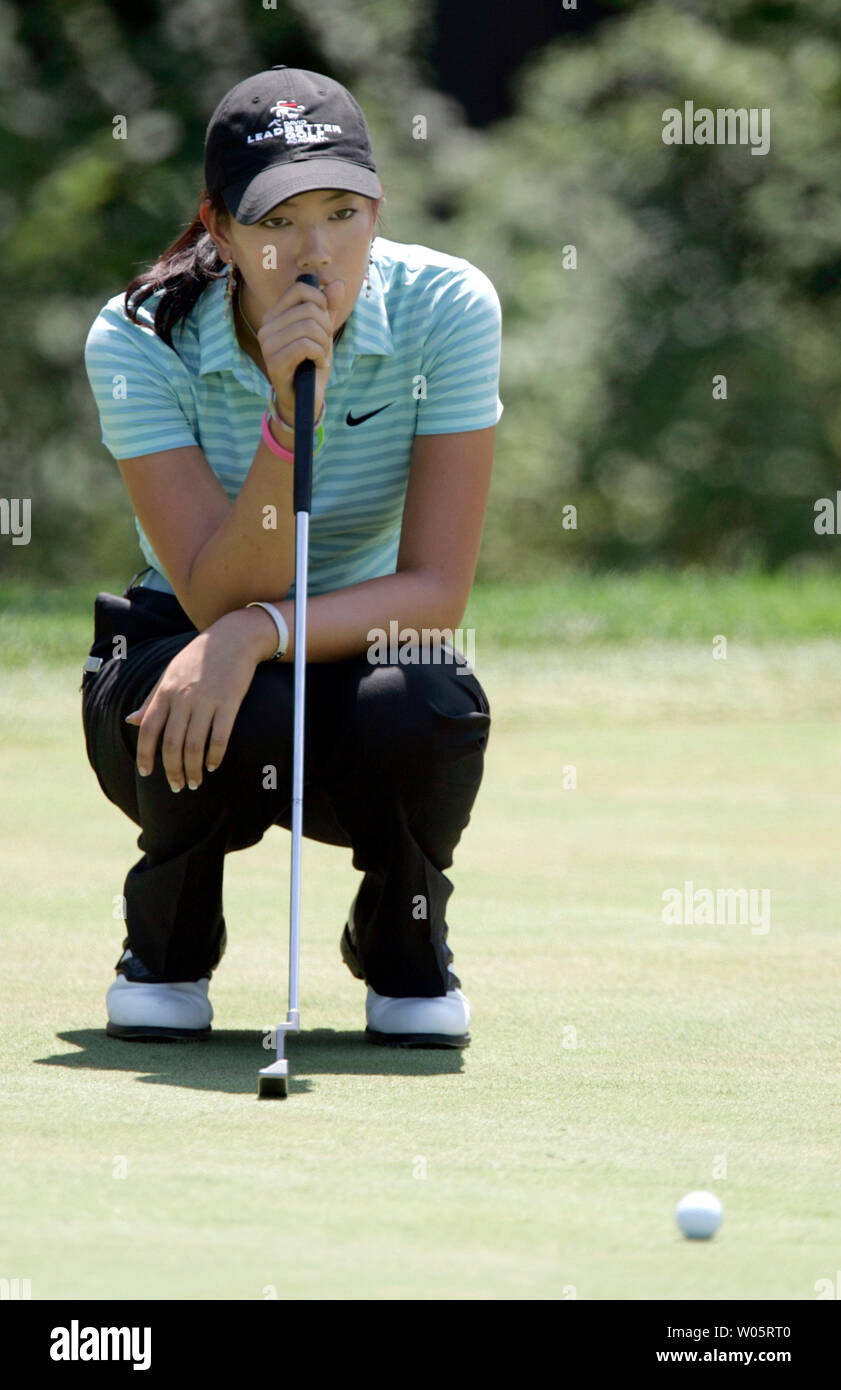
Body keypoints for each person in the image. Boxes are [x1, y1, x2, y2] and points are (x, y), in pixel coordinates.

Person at [82, 65, 502, 1049]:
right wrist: (286, 416)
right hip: (176, 635)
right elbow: (213, 588)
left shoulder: (448, 306)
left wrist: (261, 632)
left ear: (377, 209)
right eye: (276, 222)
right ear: (219, 230)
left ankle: (403, 944)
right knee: (219, 692)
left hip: (356, 643)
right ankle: (168, 948)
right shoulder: (139, 335)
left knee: (431, 702)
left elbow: (435, 593)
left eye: (341, 212)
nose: (315, 253)